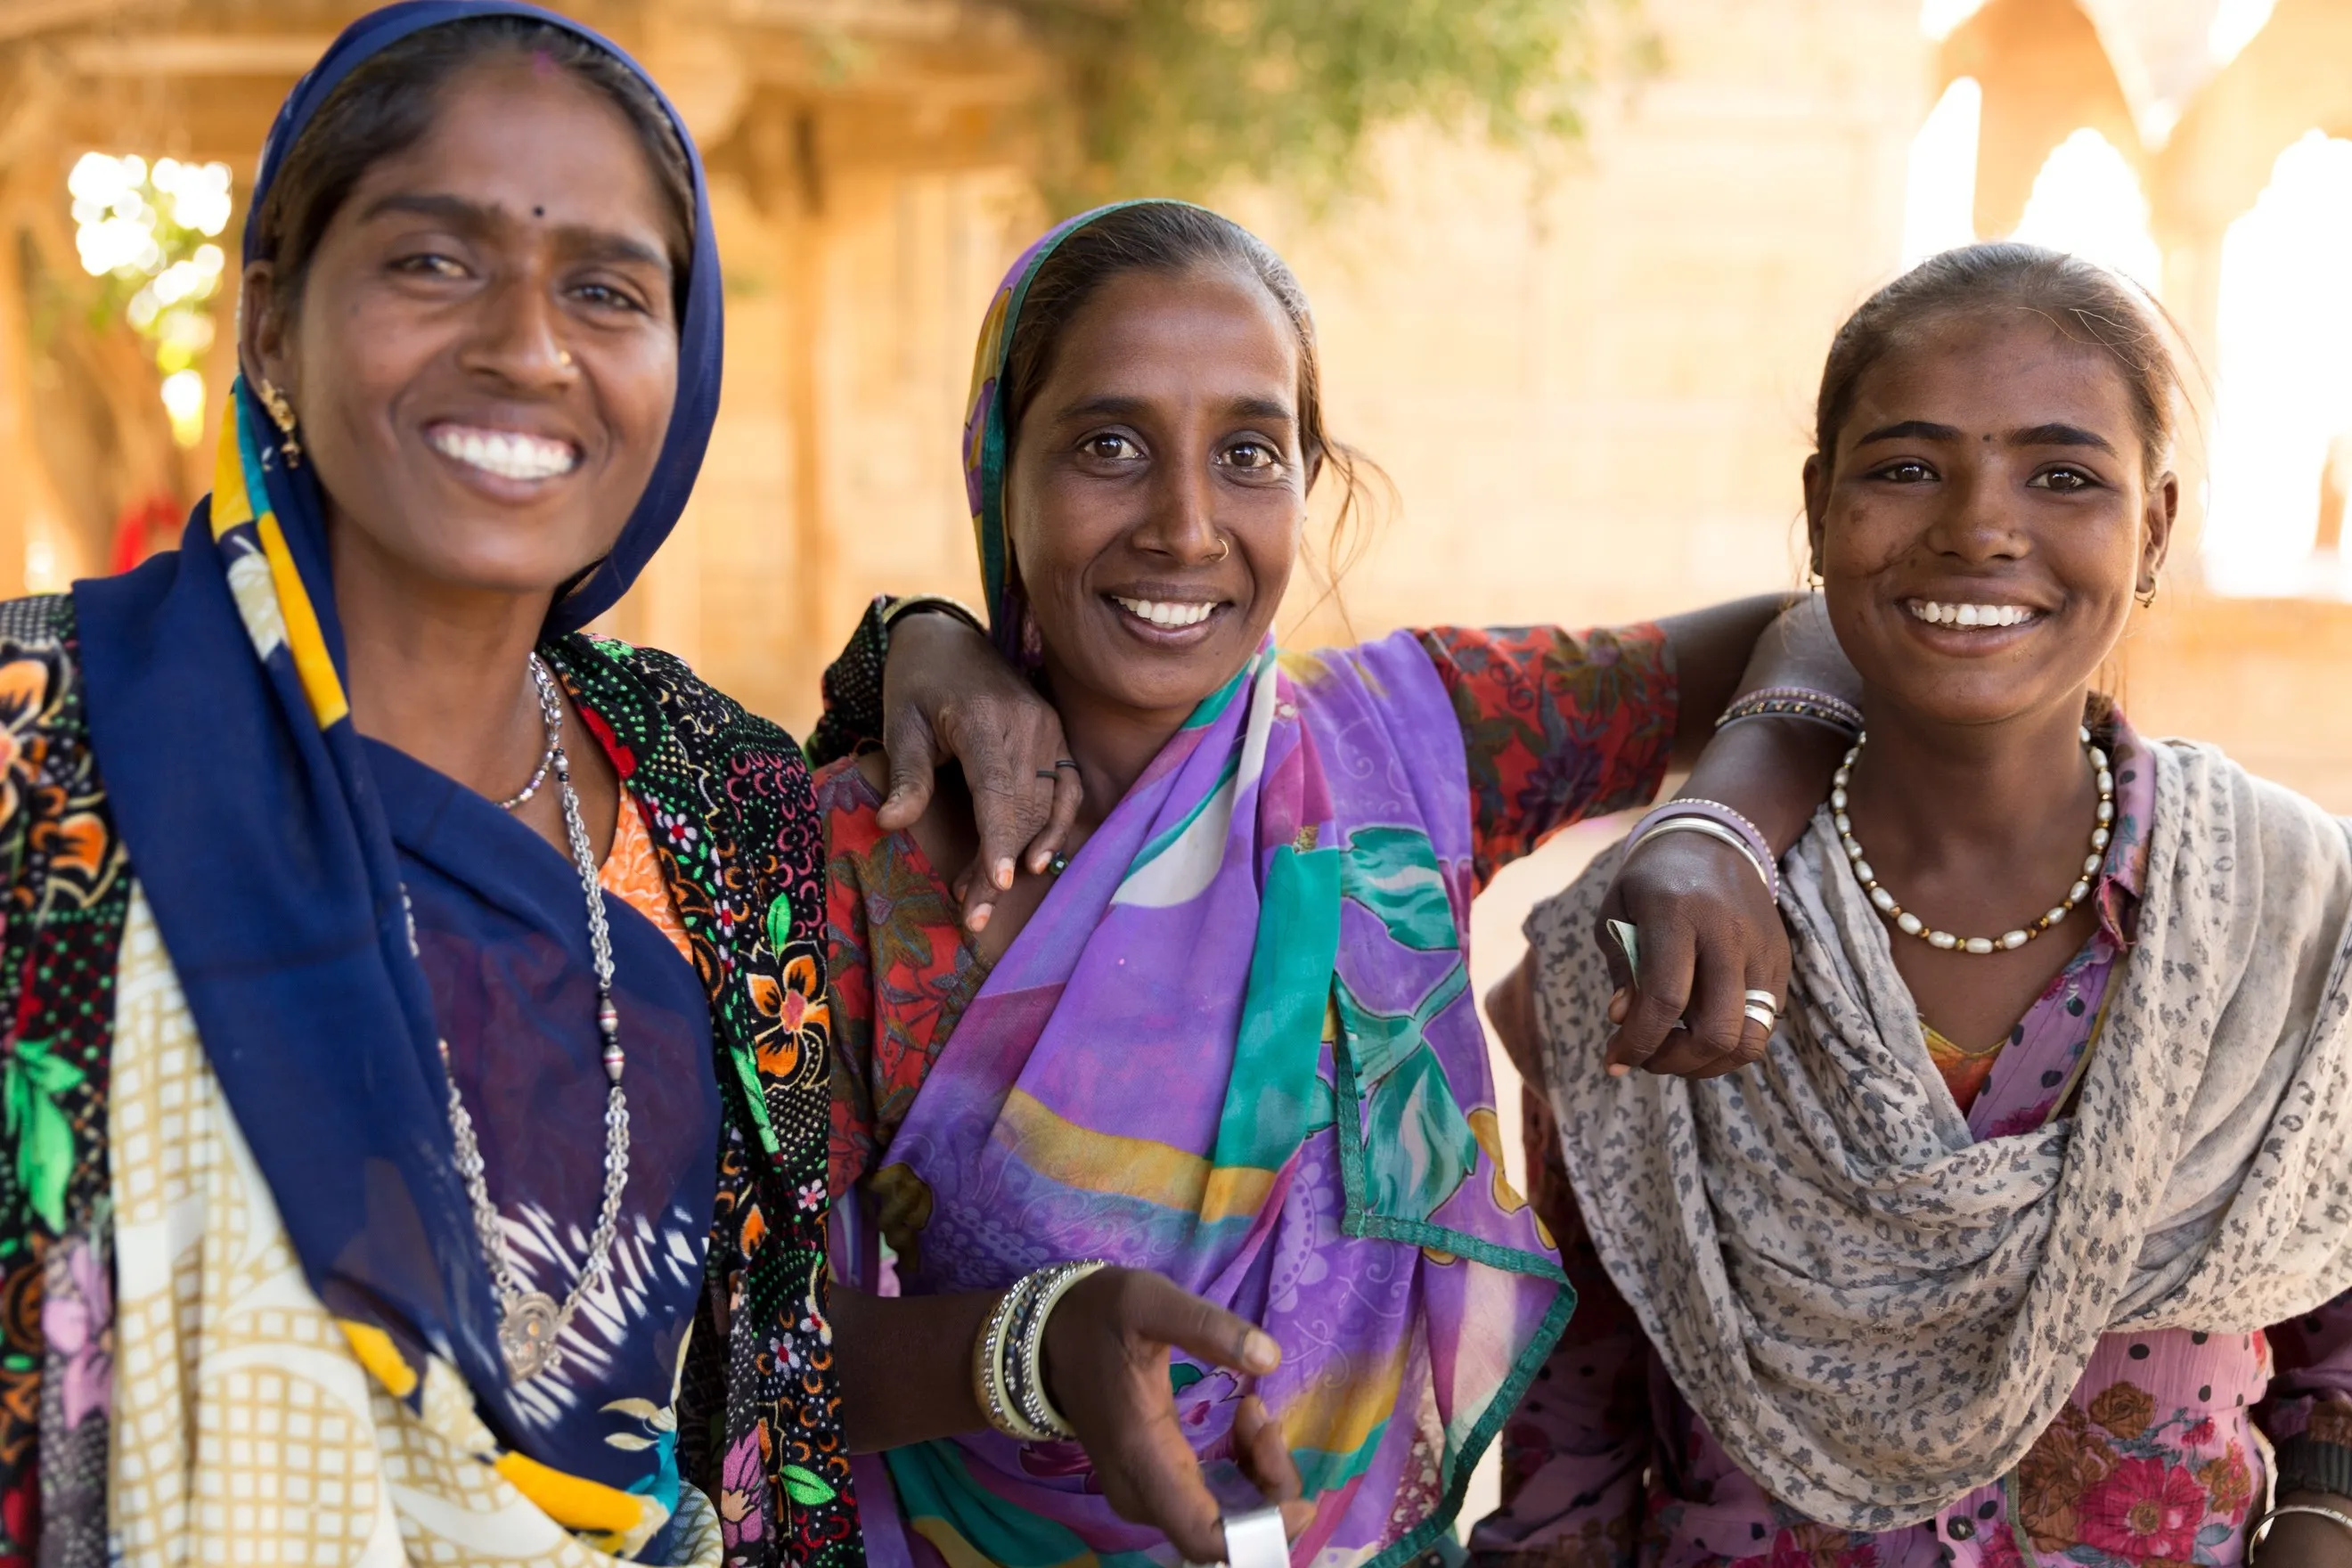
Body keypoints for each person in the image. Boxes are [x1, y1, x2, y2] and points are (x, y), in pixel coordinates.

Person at [801, 198, 1870, 1568]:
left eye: (1249, 451)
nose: (1186, 527)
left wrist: (1716, 826)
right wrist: (1032, 1351)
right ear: (1001, 472)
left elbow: (1822, 626)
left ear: (1309, 481)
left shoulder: (1410, 745)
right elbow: (754, 1351)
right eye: (1108, 445)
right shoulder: (863, 858)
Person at [0, 5, 853, 1562]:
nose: (528, 347)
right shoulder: (41, 747)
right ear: (270, 325)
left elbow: (765, 1380)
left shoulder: (722, 804)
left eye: (604, 289)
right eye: (431, 263)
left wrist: (1033, 1346)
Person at [1476, 243, 2352, 1568]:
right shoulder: (1662, 934)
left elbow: (2336, 1352)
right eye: (1906, 468)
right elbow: (1575, 1422)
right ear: (1822, 508)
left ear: (2155, 528)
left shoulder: (2291, 919)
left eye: (2063, 476)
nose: (1978, 527)